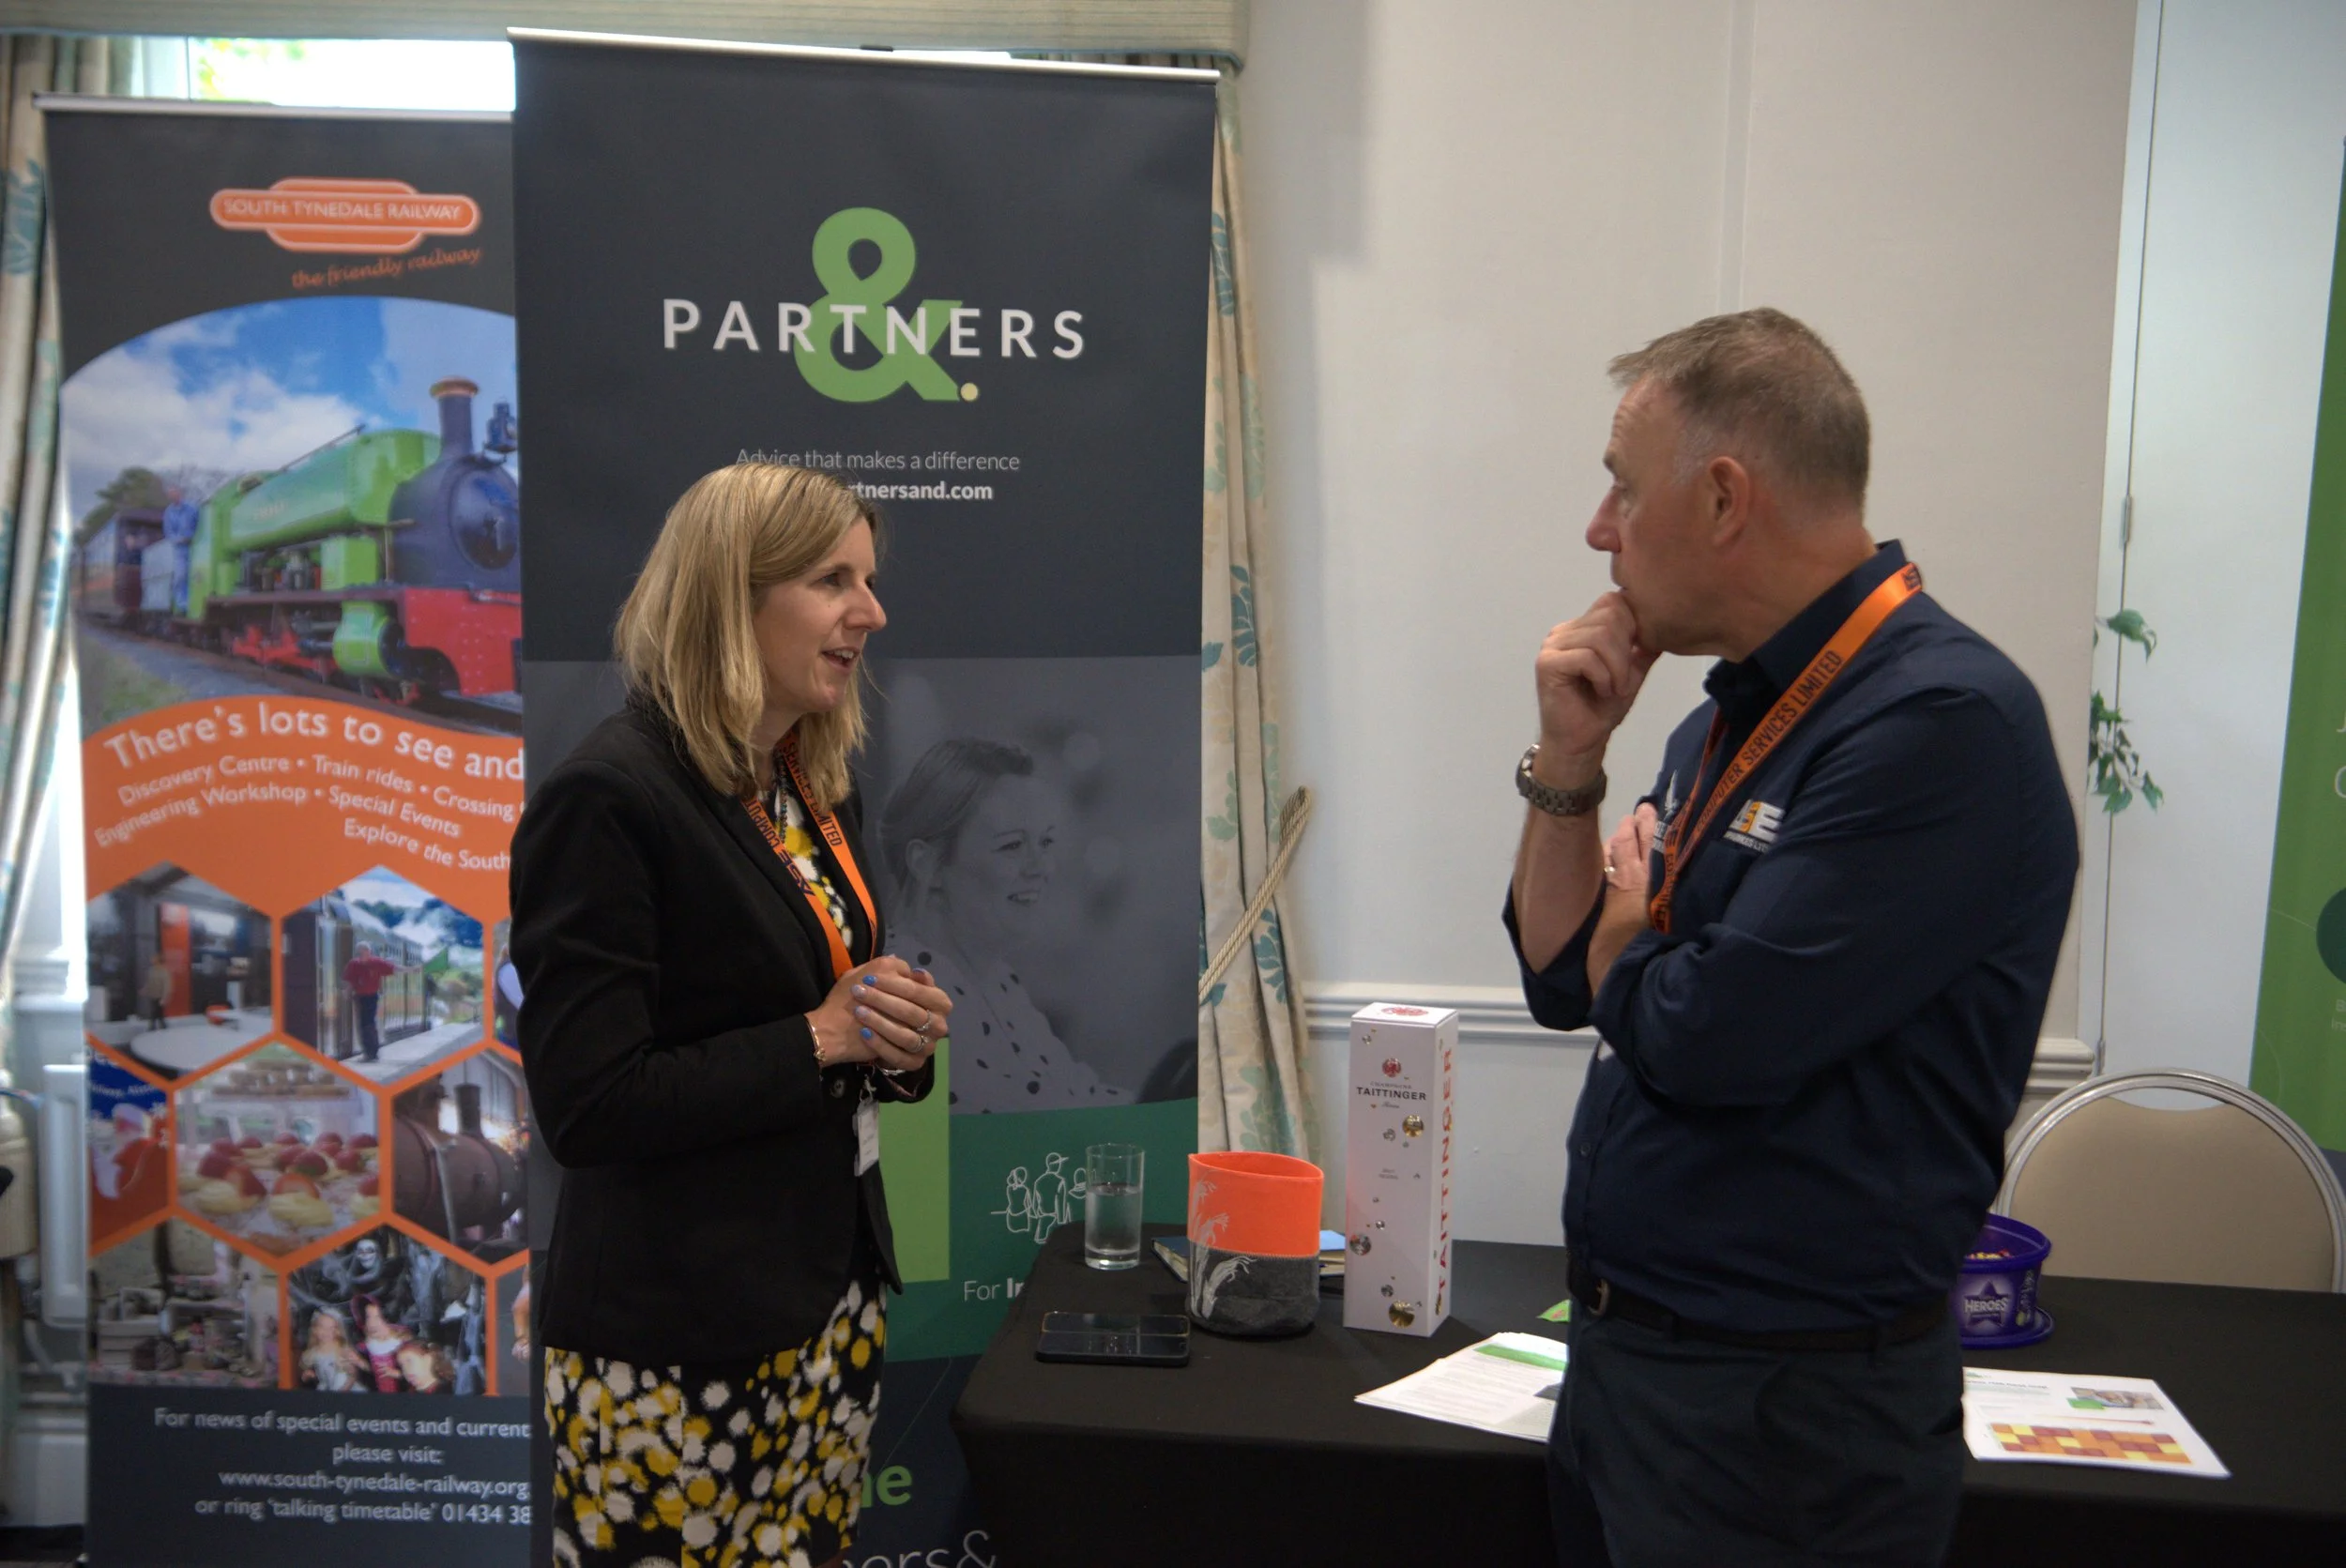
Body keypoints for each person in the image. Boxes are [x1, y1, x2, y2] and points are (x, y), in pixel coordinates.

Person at [1506, 309, 2077, 1567]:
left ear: (1721, 497)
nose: (1599, 528)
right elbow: (1561, 977)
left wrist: (1627, 941)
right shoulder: (1727, 714)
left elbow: (1709, 1035)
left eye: (1619, 481)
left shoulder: (1941, 722)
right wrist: (1571, 756)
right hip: (1636, 1372)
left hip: (1786, 1420)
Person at [511, 462, 953, 1568]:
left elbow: (829, 1013)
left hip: (828, 1298)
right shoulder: (608, 798)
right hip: (679, 1341)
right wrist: (824, 1034)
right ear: (730, 598)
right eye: (831, 579)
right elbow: (589, 1101)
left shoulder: (807, 781)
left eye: (868, 577)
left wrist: (890, 1037)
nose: (871, 610)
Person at [880, 738, 1124, 1112]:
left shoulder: (996, 981)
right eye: (1012, 846)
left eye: (1044, 843)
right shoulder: (905, 994)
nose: (1042, 868)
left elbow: (1084, 1098)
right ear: (927, 864)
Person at [343, 942, 399, 1061]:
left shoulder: (376, 962)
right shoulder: (354, 964)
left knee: (368, 1024)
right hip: (359, 997)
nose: (363, 953)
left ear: (369, 952)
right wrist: (347, 993)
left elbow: (394, 968)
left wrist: (412, 969)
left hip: (371, 997)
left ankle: (371, 1052)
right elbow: (350, 981)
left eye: (365, 951)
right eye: (361, 951)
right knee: (364, 1024)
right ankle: (370, 1052)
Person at [140, 953, 172, 1032]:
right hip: (152, 995)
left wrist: (164, 998)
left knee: (156, 1011)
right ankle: (161, 1025)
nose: (152, 960)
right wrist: (144, 989)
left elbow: (167, 985)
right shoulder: (151, 970)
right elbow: (149, 982)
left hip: (160, 996)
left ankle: (154, 1026)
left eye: (154, 959)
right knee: (157, 1012)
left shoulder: (164, 971)